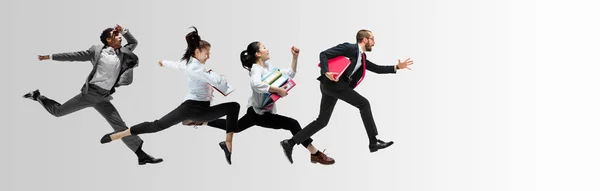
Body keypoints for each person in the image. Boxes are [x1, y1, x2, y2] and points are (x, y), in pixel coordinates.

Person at [22, 25, 163, 165]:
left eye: (120, 35)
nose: (120, 37)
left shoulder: (123, 52)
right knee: (58, 112)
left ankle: (141, 155)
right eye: (116, 35)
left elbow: (133, 42)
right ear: (108, 39)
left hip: (103, 98)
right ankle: (38, 96)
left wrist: (124, 30)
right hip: (89, 94)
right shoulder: (96, 51)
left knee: (120, 127)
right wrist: (49, 57)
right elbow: (74, 56)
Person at [99, 27, 240, 165]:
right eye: (207, 53)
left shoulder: (189, 64)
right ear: (197, 52)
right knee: (233, 107)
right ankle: (227, 143)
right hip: (194, 109)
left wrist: (164, 63)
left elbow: (177, 65)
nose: (208, 56)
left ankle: (119, 134)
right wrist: (221, 77)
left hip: (195, 109)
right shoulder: (197, 70)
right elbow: (218, 82)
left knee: (157, 125)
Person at [186, 42, 335, 165]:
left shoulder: (268, 67)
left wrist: (295, 57)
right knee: (292, 124)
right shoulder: (256, 70)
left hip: (255, 111)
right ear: (258, 54)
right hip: (260, 113)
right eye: (264, 47)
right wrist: (277, 89)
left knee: (235, 127)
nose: (267, 49)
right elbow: (255, 84)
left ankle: (202, 121)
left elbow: (289, 74)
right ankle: (315, 153)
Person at [280, 29, 414, 163]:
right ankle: (373, 142)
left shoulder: (362, 58)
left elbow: (377, 69)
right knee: (364, 104)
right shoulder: (349, 48)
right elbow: (324, 54)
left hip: (332, 87)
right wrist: (326, 72)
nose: (374, 42)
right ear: (365, 40)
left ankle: (290, 143)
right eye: (372, 39)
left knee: (322, 121)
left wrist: (397, 67)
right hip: (333, 85)